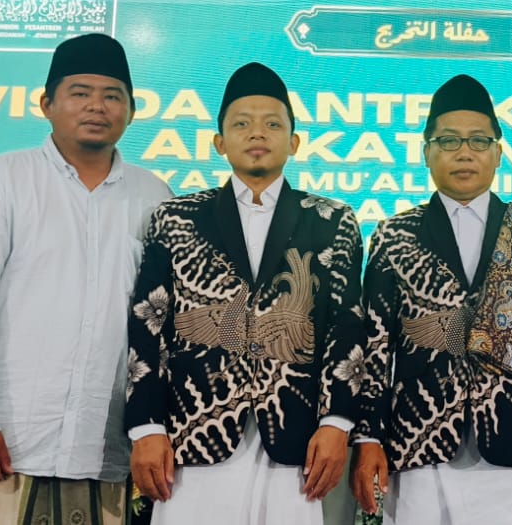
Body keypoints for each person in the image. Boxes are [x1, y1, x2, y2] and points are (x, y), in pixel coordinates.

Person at [0, 33, 173, 525]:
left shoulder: (155, 196)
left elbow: (160, 323)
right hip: (1, 445)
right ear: (46, 104)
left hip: (103, 450)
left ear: (131, 111)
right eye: (80, 93)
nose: (97, 106)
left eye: (112, 95)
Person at [123, 62, 364, 525]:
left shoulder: (332, 221)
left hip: (296, 438)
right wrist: (146, 425)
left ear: (294, 142)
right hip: (194, 431)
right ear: (219, 142)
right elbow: (148, 323)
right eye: (241, 124)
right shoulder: (176, 218)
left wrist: (337, 422)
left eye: (272, 124)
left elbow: (347, 328)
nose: (257, 133)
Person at [351, 74, 512, 525]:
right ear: (426, 152)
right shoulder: (395, 235)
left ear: (498, 152)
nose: (464, 152)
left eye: (478, 140)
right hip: (420, 444)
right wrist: (368, 437)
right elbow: (375, 345)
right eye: (449, 140)